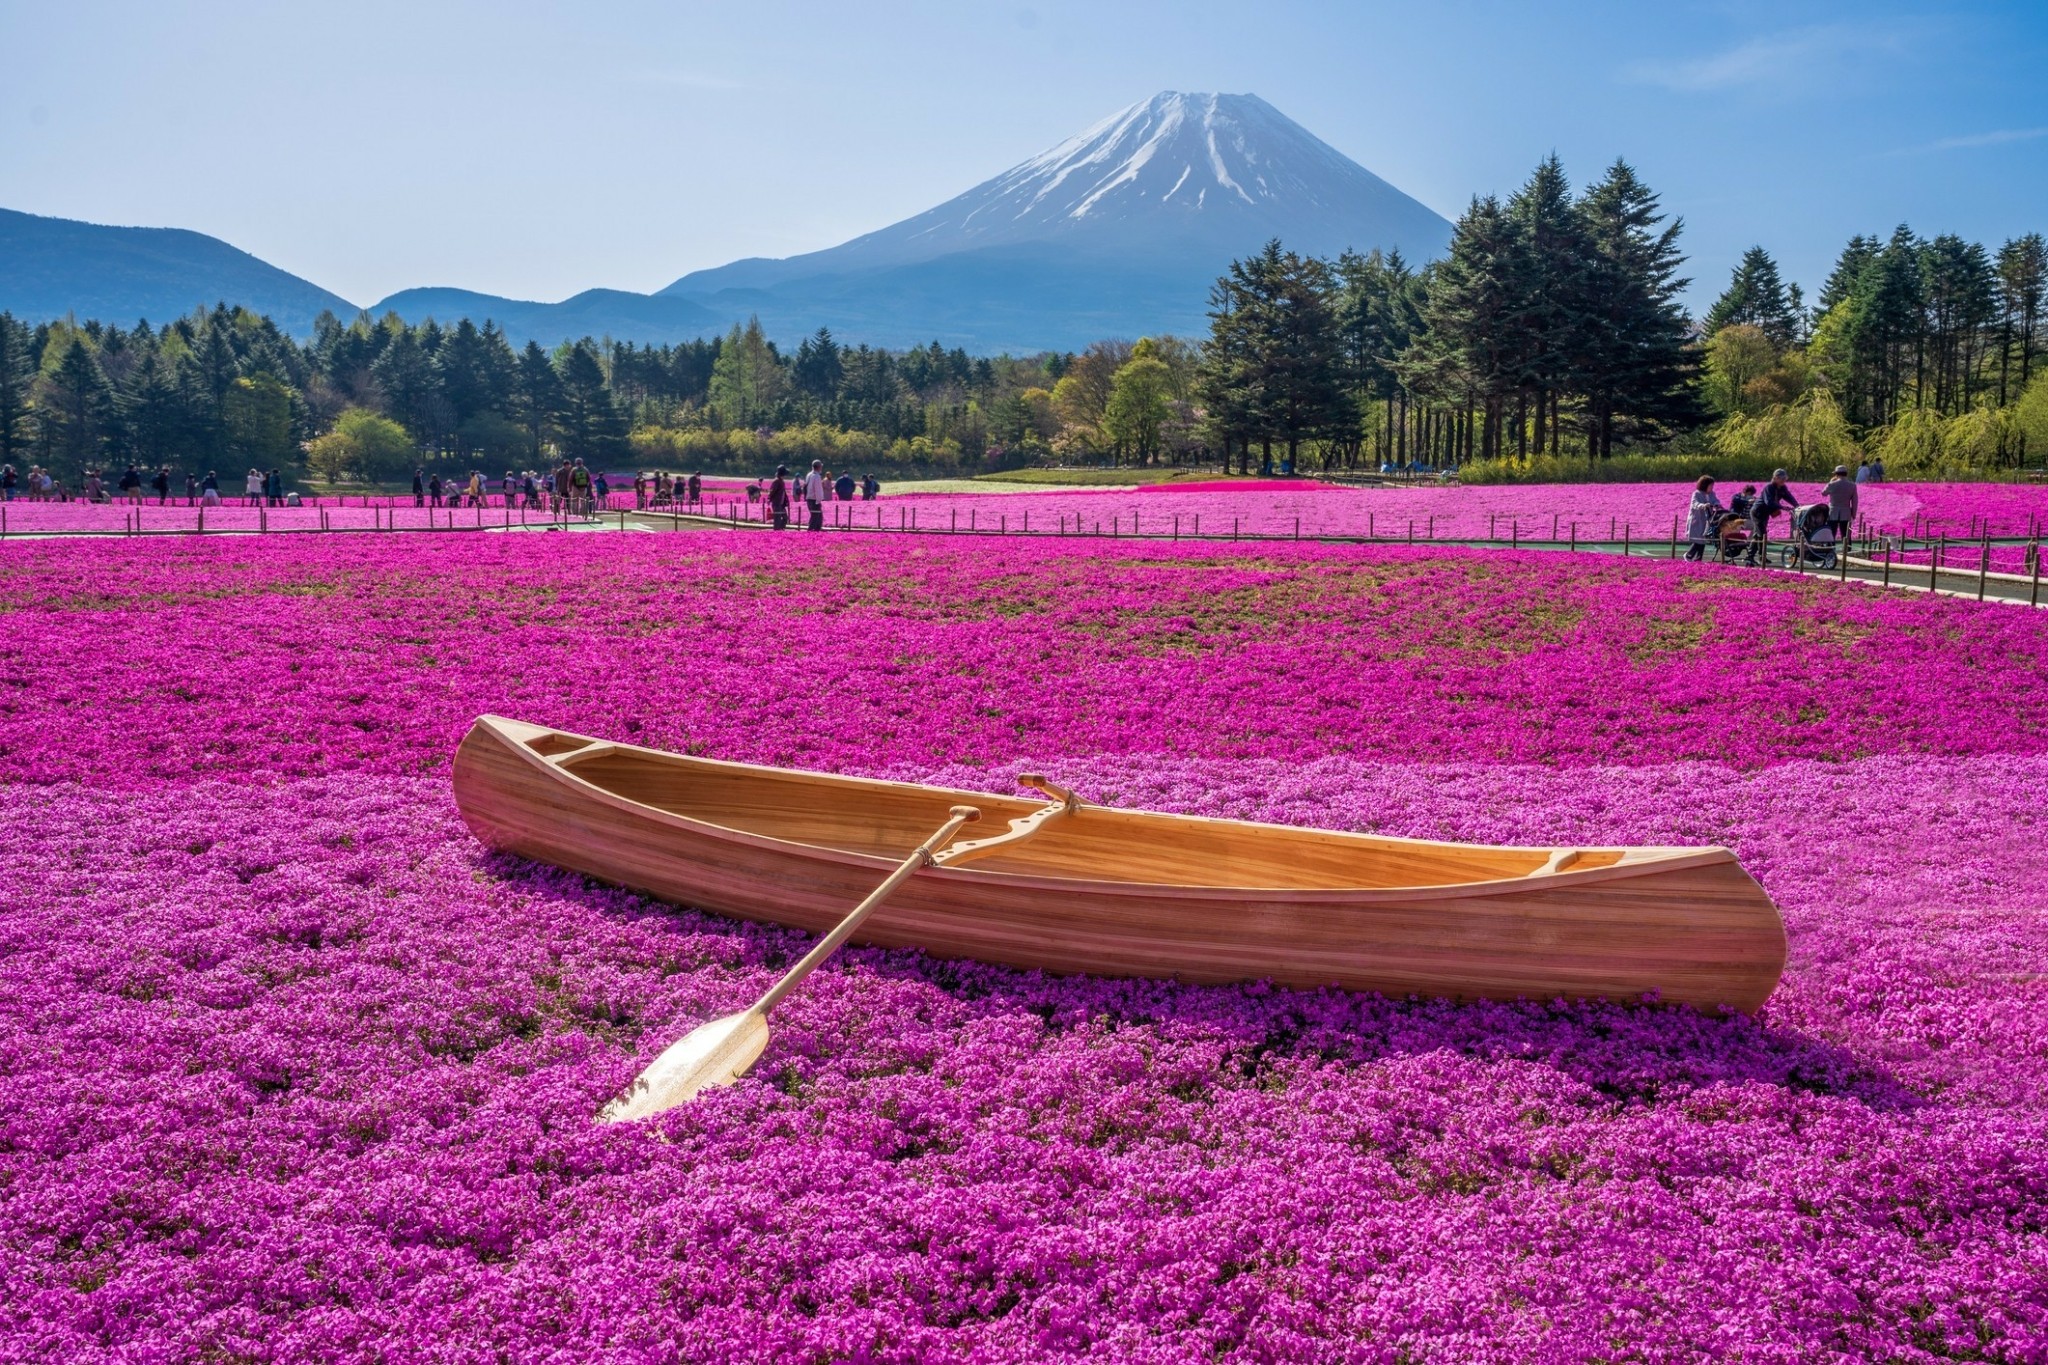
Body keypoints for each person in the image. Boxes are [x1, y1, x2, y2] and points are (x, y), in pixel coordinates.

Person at [1746, 469, 1798, 565]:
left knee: (1758, 534)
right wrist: (1782, 507)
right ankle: (1761, 557)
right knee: (1762, 534)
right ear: (1775, 478)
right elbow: (1768, 502)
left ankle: (1749, 556)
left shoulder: (1782, 488)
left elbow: (1789, 497)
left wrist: (1797, 506)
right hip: (1757, 512)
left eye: (1784, 478)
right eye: (1781, 478)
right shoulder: (1769, 487)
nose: (1783, 481)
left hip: (1765, 513)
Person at [1685, 475, 1723, 562]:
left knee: (1703, 538)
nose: (1712, 488)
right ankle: (1689, 555)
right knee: (1698, 539)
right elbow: (1695, 504)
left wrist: (1717, 504)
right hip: (1697, 519)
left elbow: (1715, 500)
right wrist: (1703, 505)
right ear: (1705, 485)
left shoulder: (1712, 494)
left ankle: (1696, 558)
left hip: (1706, 520)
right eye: (1711, 486)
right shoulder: (1696, 493)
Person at [1821, 463, 1858, 547]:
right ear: (1846, 474)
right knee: (1846, 533)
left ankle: (1829, 550)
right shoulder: (1852, 485)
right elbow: (1855, 501)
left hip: (1833, 511)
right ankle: (1847, 550)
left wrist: (1830, 482)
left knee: (1831, 533)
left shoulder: (1832, 484)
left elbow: (1823, 493)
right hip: (1846, 512)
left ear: (1836, 474)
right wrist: (1853, 514)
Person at [803, 459, 826, 531]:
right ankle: (811, 533)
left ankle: (814, 533)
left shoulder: (809, 475)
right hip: (814, 500)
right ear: (819, 467)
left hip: (809, 499)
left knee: (817, 517)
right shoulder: (816, 476)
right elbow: (818, 489)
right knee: (816, 518)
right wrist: (819, 500)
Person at [768, 464, 791, 530]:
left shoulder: (781, 481)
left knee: (785, 518)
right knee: (777, 519)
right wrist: (769, 499)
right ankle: (777, 531)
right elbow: (772, 491)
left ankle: (780, 529)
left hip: (781, 504)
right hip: (777, 504)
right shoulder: (776, 481)